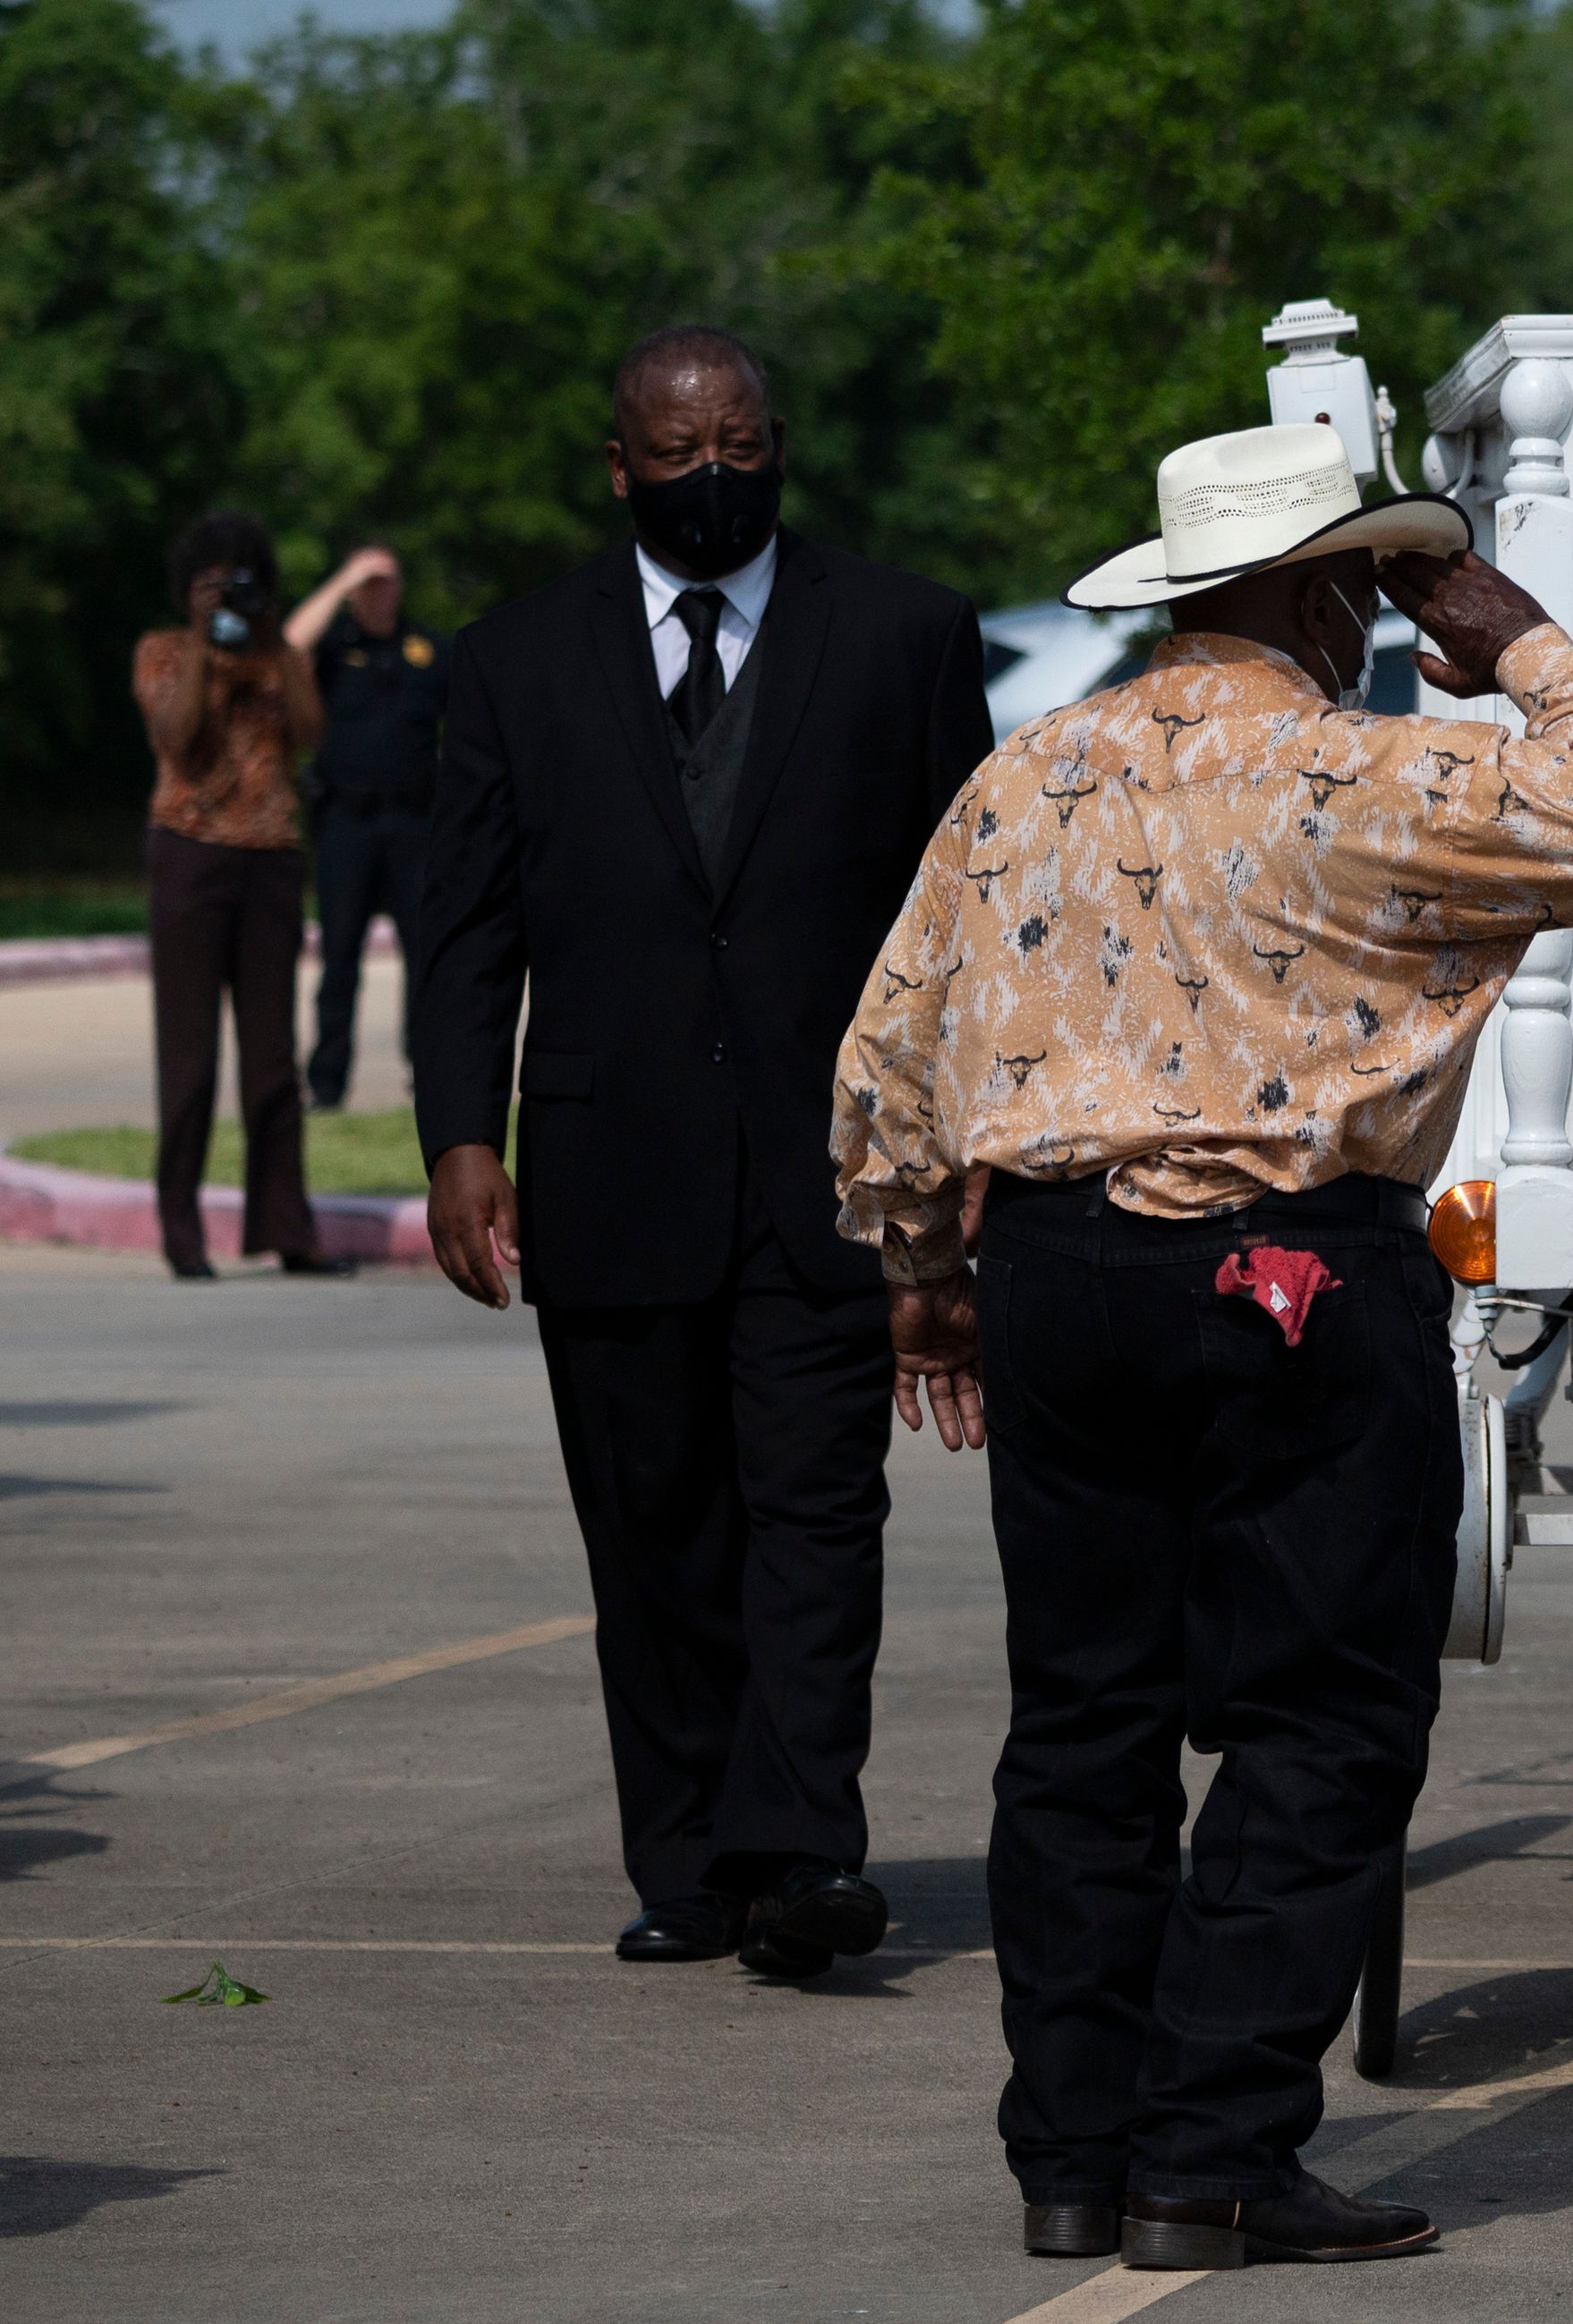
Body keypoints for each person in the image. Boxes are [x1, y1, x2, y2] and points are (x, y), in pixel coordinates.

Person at [830, 420, 1573, 2269]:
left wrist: (919, 1266)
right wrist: (1528, 643)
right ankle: (1210, 2147)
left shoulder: (1029, 776)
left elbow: (889, 1056)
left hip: (1059, 1274)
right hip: (1291, 1273)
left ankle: (1072, 2152)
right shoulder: (1361, 773)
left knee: (1084, 1719)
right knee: (1322, 1716)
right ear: (1331, 590)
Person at [415, 325, 991, 1980]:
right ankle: (685, 1858)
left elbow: (957, 930)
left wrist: (959, 1153)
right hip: (611, 1169)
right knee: (653, 1532)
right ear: (619, 466)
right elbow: (467, 932)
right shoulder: (513, 662)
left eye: (740, 441)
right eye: (679, 451)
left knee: (818, 1519)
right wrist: (461, 1133)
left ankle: (802, 1848)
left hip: (836, 1175)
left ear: (782, 444)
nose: (714, 472)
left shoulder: (903, 635)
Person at [132, 510, 351, 1283]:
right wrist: (200, 638)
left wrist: (275, 642)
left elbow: (314, 732)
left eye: (237, 578)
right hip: (189, 855)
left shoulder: (277, 655)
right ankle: (182, 1234)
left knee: (272, 1062)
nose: (225, 592)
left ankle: (289, 1228)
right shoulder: (162, 650)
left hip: (271, 861)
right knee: (188, 1059)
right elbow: (177, 734)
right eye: (209, 580)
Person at [283, 540, 445, 1110]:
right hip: (344, 822)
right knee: (339, 959)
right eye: (366, 583)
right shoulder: (331, 647)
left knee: (427, 957)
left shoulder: (426, 648)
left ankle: (430, 1076)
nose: (378, 592)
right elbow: (288, 643)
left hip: (414, 822)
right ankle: (327, 1085)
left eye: (386, 581)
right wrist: (342, 577)